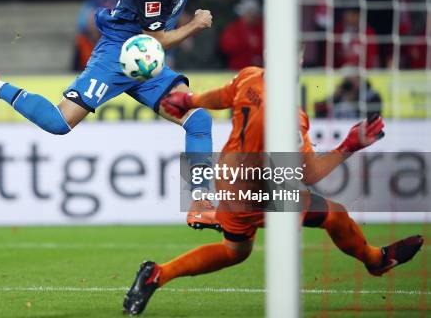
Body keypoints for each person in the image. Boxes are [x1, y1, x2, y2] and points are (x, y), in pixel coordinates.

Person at [0, 0, 254, 229]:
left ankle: (200, 203)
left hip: (145, 61)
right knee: (58, 123)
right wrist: (195, 25)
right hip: (120, 54)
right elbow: (154, 41)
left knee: (197, 120)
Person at [122, 66, 423, 315]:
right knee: (334, 214)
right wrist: (349, 146)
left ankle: (157, 273)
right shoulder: (290, 118)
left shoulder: (249, 76)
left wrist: (190, 100)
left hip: (229, 176)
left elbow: (223, 95)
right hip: (260, 191)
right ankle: (375, 261)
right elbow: (310, 173)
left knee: (235, 250)